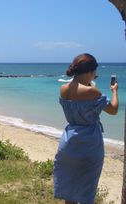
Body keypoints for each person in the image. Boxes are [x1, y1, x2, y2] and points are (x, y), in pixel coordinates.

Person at [54, 53, 119, 204]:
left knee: (70, 188)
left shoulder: (63, 89)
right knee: (87, 189)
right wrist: (114, 91)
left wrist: (88, 84)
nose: (95, 75)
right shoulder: (93, 92)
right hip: (89, 142)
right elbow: (113, 110)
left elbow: (78, 99)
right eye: (94, 72)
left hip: (69, 141)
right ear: (90, 72)